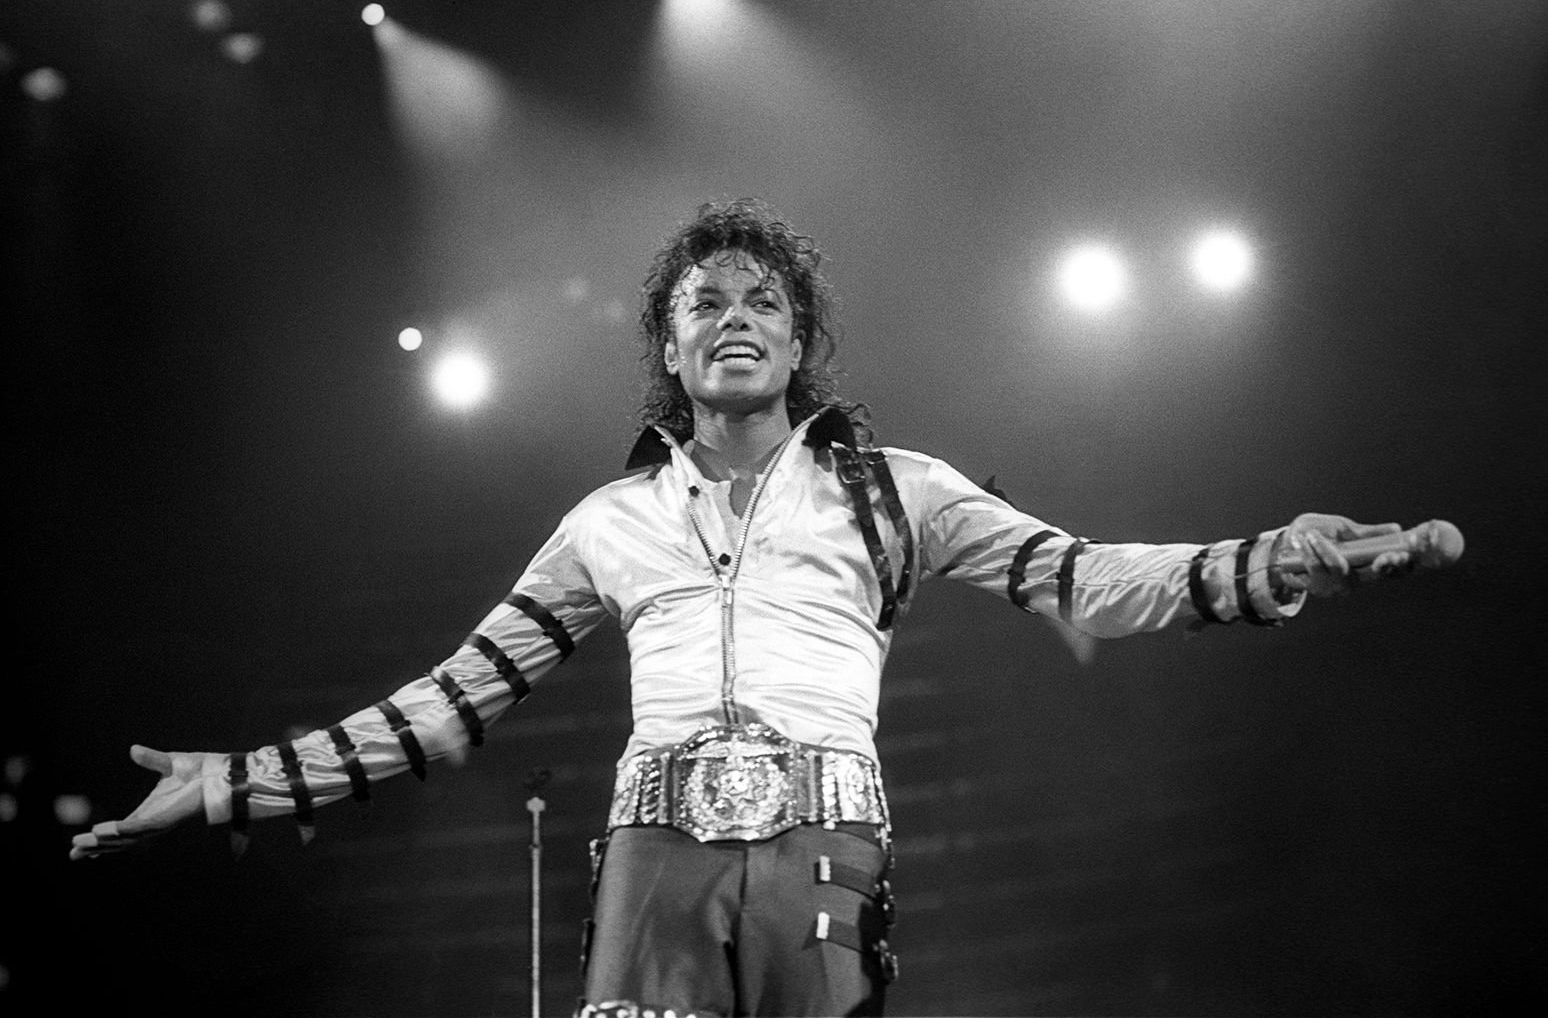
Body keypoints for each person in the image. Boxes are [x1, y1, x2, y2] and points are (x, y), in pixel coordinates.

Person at [70, 199, 1416, 1018]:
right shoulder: (606, 523)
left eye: (762, 300)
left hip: (826, 848)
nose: (734, 315)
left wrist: (1268, 561)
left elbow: (1086, 580)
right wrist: (240, 781)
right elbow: (447, 706)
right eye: (703, 301)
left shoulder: (898, 491)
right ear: (668, 345)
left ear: (796, 341)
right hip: (655, 859)